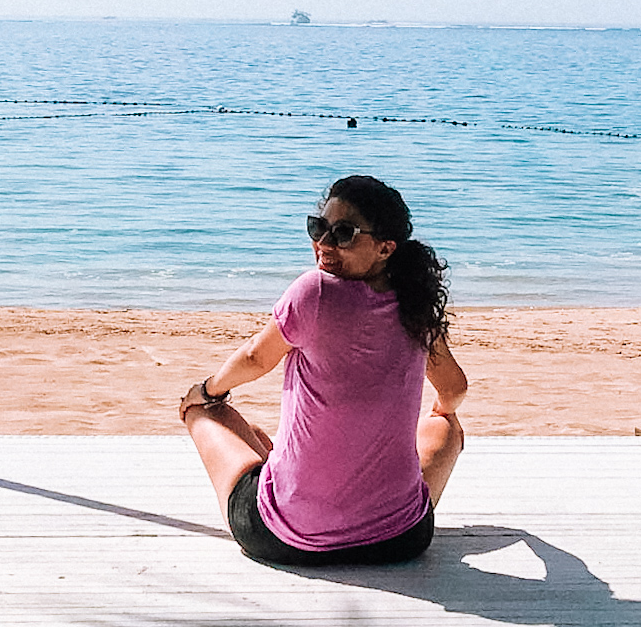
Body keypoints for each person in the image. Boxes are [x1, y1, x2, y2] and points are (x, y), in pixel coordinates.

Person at [179, 174, 467, 565]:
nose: (324, 244)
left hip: (288, 537)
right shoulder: (415, 303)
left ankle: (261, 453)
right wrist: (430, 409)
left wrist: (208, 392)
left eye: (344, 233)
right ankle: (351, 490)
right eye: (319, 228)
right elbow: (454, 390)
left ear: (386, 248)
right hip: (399, 540)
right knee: (445, 426)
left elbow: (254, 359)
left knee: (204, 412)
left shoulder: (315, 291)